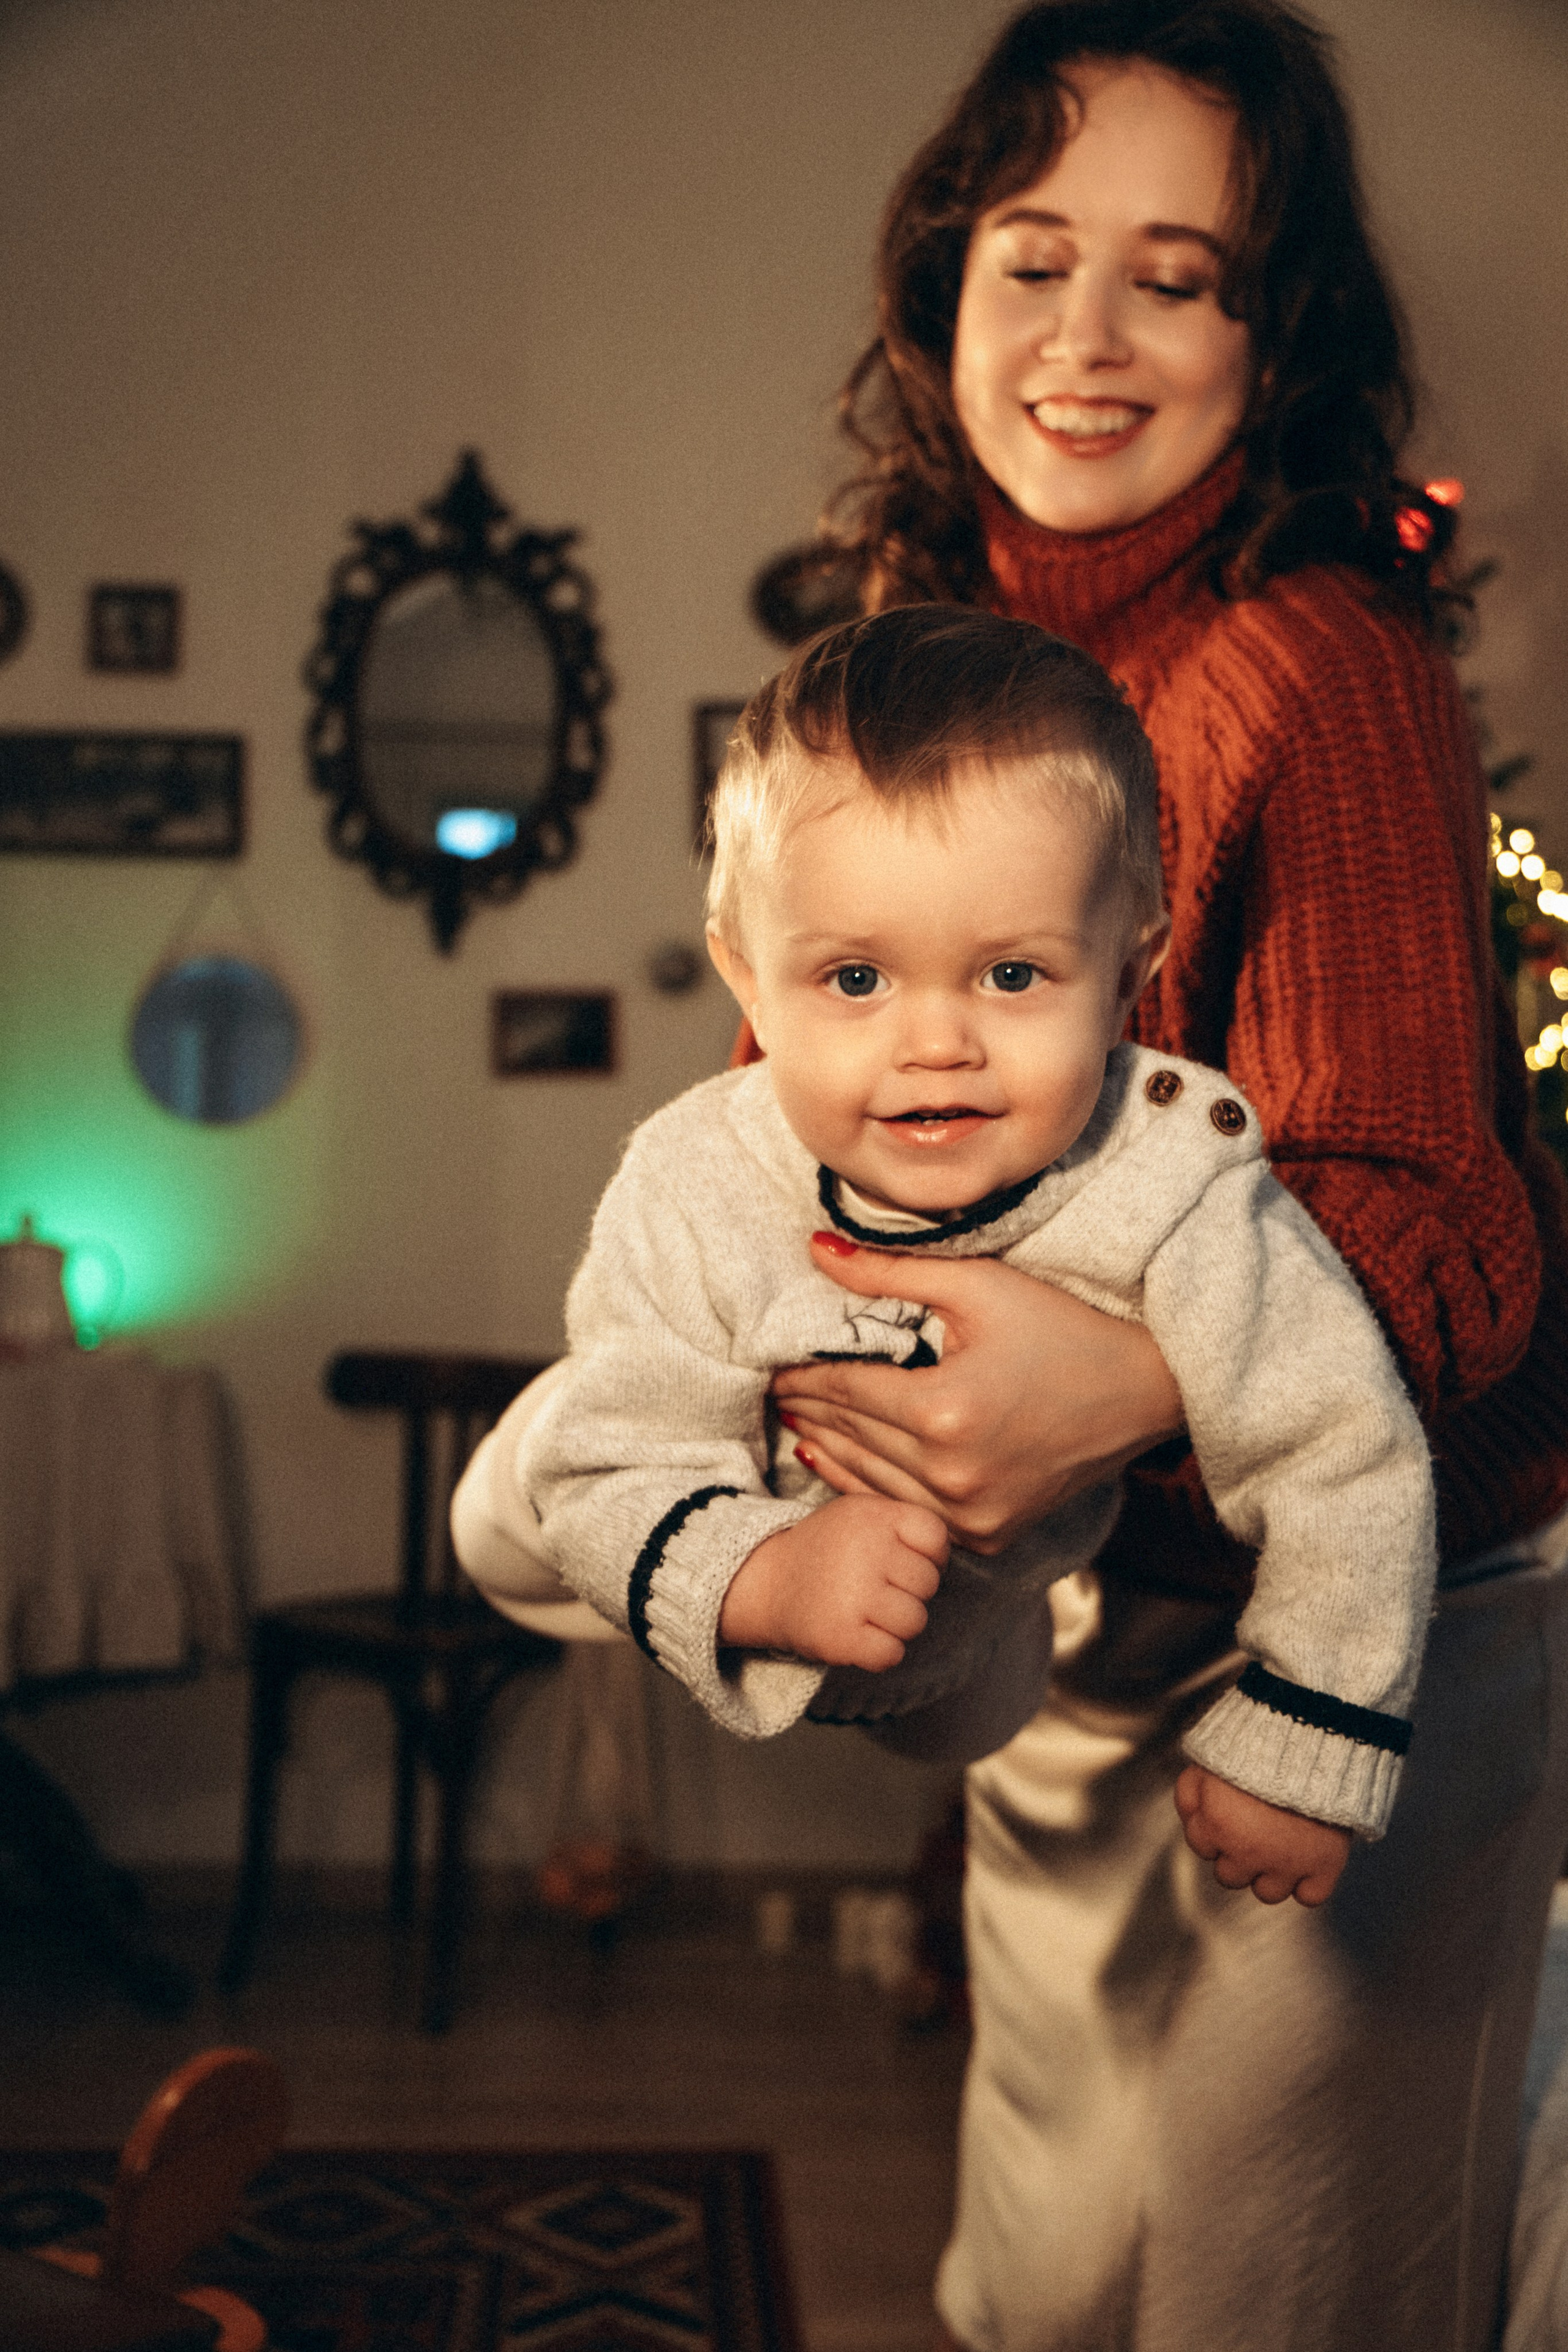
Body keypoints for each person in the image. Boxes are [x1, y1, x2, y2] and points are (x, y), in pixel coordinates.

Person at [726, 4, 1568, 2348]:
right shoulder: (920, 681)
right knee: (1045, 2285)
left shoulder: (1329, 663)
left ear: (1265, 334)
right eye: (1035, 257)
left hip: (1390, 1611)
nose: (1090, 340)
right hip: (1083, 1625)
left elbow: (1443, 1235)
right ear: (944, 292)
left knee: (1280, 2299)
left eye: (1178, 275)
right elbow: (813, 1102)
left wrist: (1099, 1379)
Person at [496, 603, 1434, 1912]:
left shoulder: (1171, 1185)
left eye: (1009, 976)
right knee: (521, 1506)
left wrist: (1307, 1734)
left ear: (1125, 976)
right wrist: (766, 1577)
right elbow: (611, 1479)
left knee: (958, 1713)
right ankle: (563, 1440)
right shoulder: (699, 1174)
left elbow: (1340, 1447)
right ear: (747, 983)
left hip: (986, 1610)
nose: (934, 1043)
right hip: (710, 1494)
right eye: (854, 981)